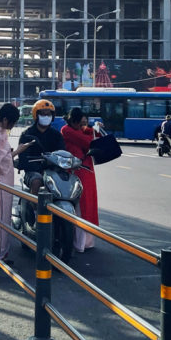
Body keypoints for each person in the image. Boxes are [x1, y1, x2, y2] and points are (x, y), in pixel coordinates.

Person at [0, 103, 31, 265]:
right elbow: (1, 160)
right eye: (12, 123)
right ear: (4, 120)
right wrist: (19, 150)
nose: (12, 126)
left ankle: (1, 253)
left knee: (3, 216)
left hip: (2, 176)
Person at [60, 108, 98, 253]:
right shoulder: (67, 130)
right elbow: (88, 142)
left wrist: (91, 130)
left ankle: (86, 242)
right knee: (81, 206)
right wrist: (91, 131)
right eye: (79, 123)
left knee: (87, 206)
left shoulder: (75, 130)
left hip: (86, 170)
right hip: (77, 171)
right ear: (72, 121)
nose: (81, 125)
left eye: (84, 123)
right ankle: (80, 243)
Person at [17, 99, 65, 194]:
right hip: (33, 172)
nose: (46, 116)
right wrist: (39, 169)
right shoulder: (27, 135)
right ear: (36, 115)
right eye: (43, 114)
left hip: (53, 170)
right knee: (36, 181)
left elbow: (62, 152)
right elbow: (23, 158)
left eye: (49, 114)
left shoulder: (56, 135)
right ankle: (33, 203)